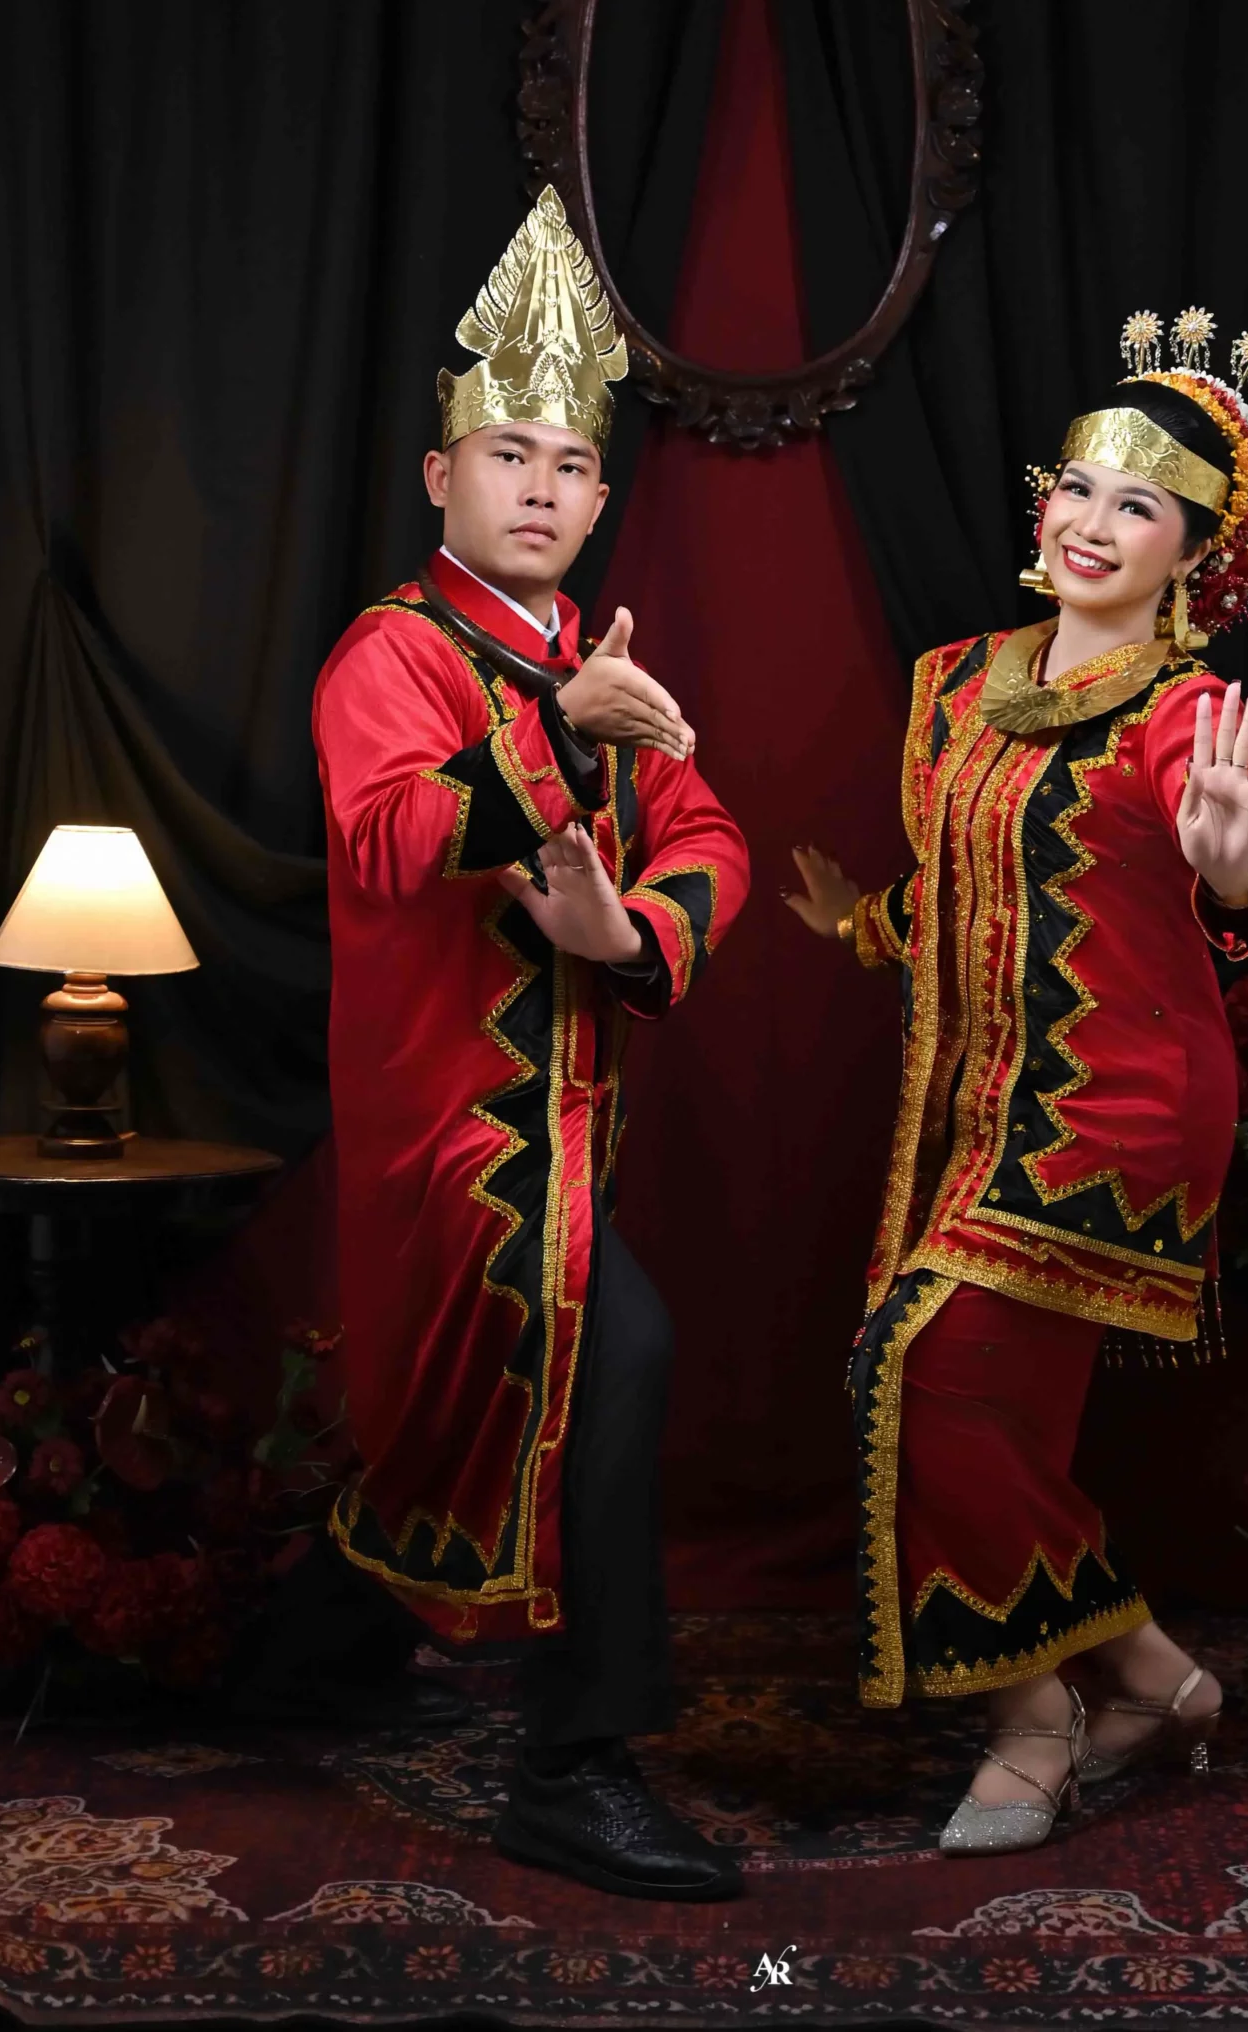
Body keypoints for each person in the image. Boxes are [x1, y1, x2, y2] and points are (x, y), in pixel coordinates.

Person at [788, 308, 1248, 1854]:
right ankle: (1155, 1680)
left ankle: (1039, 1726)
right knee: (975, 1412)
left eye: (1138, 505)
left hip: (1118, 1109)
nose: (1091, 522)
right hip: (966, 1114)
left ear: (1197, 557)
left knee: (921, 1375)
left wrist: (1233, 865)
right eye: (1078, 485)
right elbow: (981, 885)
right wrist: (869, 927)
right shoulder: (960, 681)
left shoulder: (1179, 713)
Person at [309, 187, 749, 1900]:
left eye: (571, 465)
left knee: (487, 1410)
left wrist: (626, 934)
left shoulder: (597, 663)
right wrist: (557, 739)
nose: (544, 489)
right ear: (442, 476)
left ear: (602, 497)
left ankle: (309, 1652)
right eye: (509, 457)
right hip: (453, 1134)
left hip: (575, 1131)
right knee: (604, 1357)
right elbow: (385, 838)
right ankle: (577, 1768)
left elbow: (706, 830)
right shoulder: (393, 653)